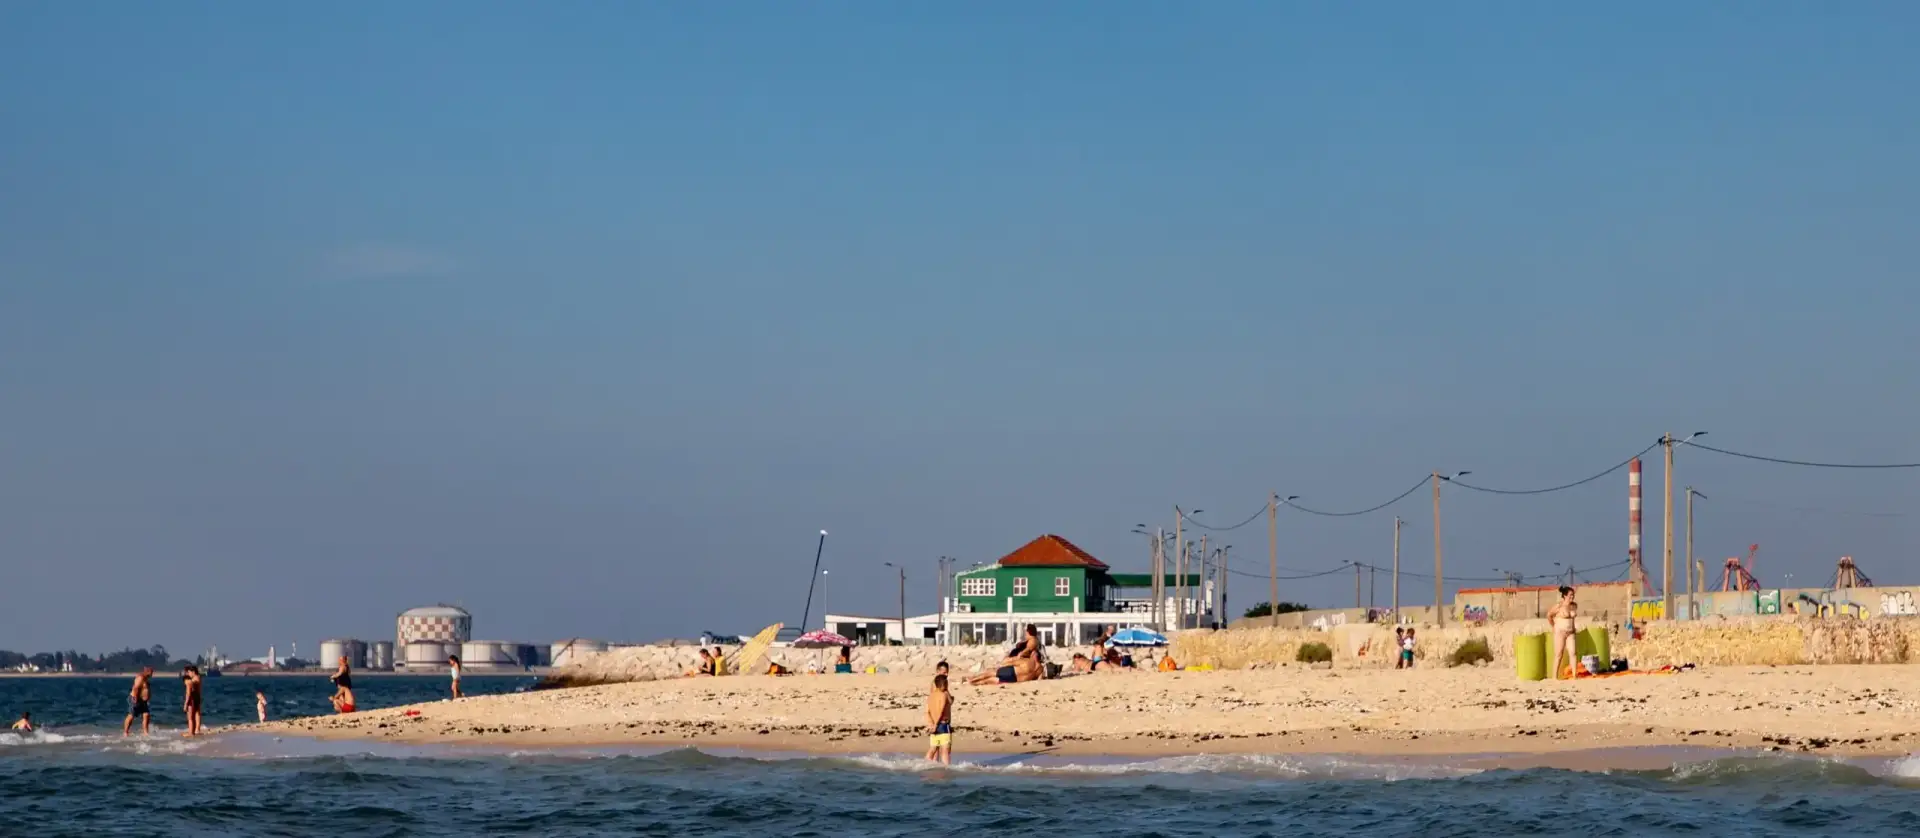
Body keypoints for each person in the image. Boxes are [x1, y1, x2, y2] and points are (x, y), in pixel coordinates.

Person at [1548, 586, 1579, 679]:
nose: (1572, 597)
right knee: (1559, 654)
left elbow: (1572, 619)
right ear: (1565, 595)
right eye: (1570, 595)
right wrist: (1553, 626)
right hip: (1560, 632)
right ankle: (1554, 677)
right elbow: (1549, 615)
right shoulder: (1559, 606)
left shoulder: (1574, 606)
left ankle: (1574, 676)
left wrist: (1573, 628)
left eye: (1573, 595)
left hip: (1570, 632)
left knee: (1573, 652)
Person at [924, 674, 953, 764]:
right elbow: (941, 710)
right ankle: (946, 769)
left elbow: (927, 712)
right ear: (944, 685)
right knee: (945, 750)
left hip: (933, 725)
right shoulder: (943, 695)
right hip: (942, 725)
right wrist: (936, 724)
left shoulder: (930, 696)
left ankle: (924, 764)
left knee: (933, 748)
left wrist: (931, 724)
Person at [123, 667, 153, 736]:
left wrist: (147, 698)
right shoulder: (140, 678)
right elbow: (136, 688)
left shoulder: (146, 679)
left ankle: (145, 732)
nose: (152, 674)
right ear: (147, 671)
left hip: (143, 701)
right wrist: (135, 698)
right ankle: (126, 732)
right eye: (151, 672)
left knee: (146, 715)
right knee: (131, 715)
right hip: (135, 699)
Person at [181, 665, 204, 737]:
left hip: (194, 697)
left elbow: (189, 691)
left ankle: (193, 731)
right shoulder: (196, 677)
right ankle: (194, 730)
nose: (188, 674)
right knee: (196, 714)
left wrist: (188, 682)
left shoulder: (195, 678)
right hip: (196, 696)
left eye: (189, 672)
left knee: (192, 716)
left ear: (193, 672)